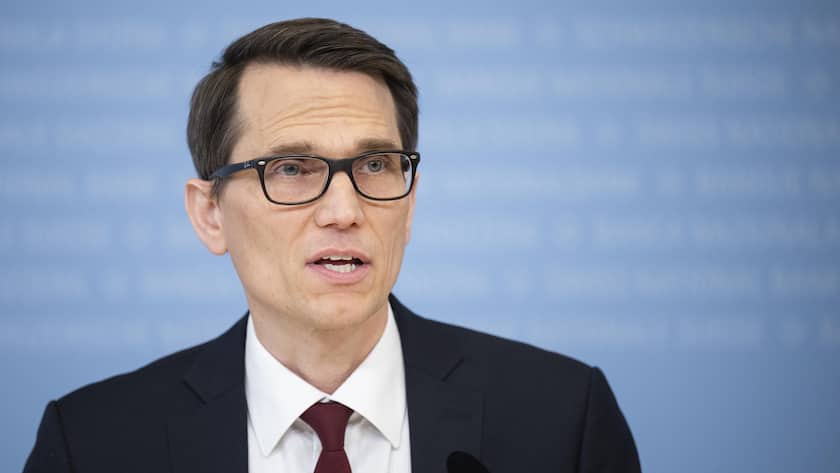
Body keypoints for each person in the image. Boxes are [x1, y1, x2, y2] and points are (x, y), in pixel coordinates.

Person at [24, 18, 640, 473]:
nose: (345, 211)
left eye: (375, 164)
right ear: (209, 213)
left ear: (411, 198)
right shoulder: (93, 443)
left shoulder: (563, 420)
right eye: (291, 169)